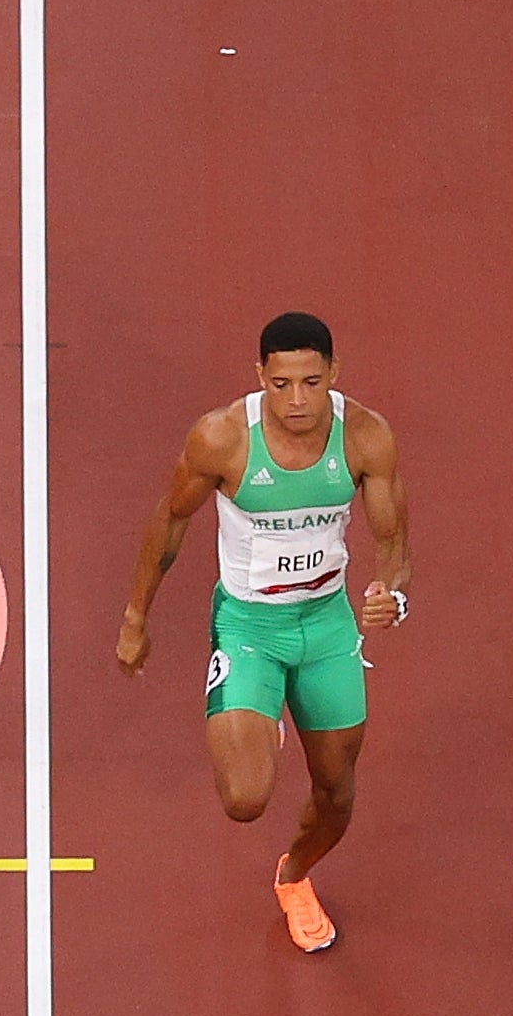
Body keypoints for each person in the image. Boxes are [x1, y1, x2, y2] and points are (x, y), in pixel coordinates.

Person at [115, 312, 412, 955]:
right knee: (246, 799)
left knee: (336, 793)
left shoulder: (365, 437)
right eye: (281, 385)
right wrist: (136, 618)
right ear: (260, 377)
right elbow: (168, 523)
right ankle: (260, 707)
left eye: (311, 382)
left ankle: (295, 876)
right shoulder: (223, 439)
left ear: (334, 374)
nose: (297, 401)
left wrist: (395, 597)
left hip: (328, 626)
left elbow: (394, 545)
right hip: (250, 625)